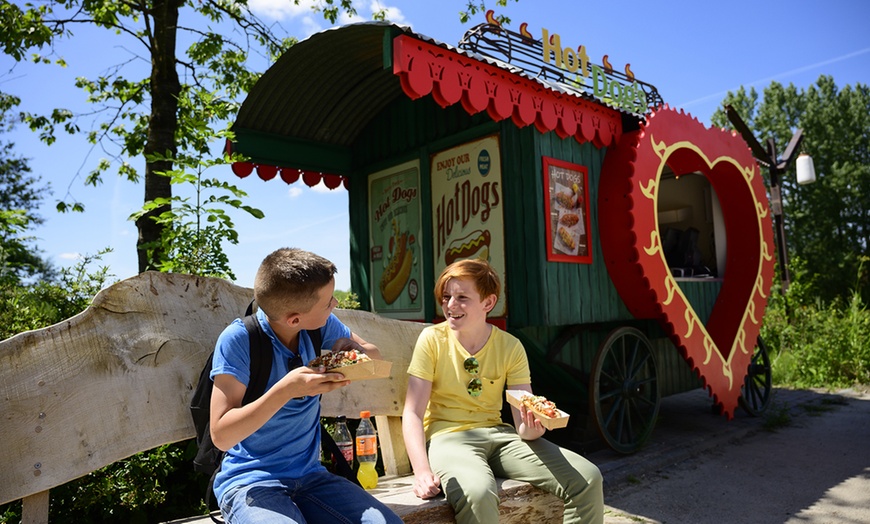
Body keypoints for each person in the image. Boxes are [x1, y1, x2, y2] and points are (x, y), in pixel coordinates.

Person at [402, 259, 604, 524]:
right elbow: (413, 412)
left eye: (462, 297)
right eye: (446, 296)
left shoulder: (511, 346)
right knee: (478, 492)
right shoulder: (432, 340)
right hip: (448, 437)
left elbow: (523, 420)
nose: (451, 305)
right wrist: (422, 471)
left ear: (488, 302)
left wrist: (533, 429)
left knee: (587, 478)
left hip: (499, 435)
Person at [210, 247, 403, 524]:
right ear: (294, 319)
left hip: (312, 478)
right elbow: (221, 435)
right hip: (251, 483)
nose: (335, 303)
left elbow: (374, 355)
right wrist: (286, 389)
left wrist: (353, 350)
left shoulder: (319, 325)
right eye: (328, 302)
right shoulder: (239, 340)